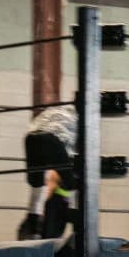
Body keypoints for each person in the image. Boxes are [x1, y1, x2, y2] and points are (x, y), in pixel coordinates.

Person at [17, 102, 77, 240]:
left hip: (31, 138)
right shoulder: (83, 120)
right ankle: (79, 234)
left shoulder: (61, 111)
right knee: (74, 183)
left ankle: (33, 232)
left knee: (36, 187)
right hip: (52, 138)